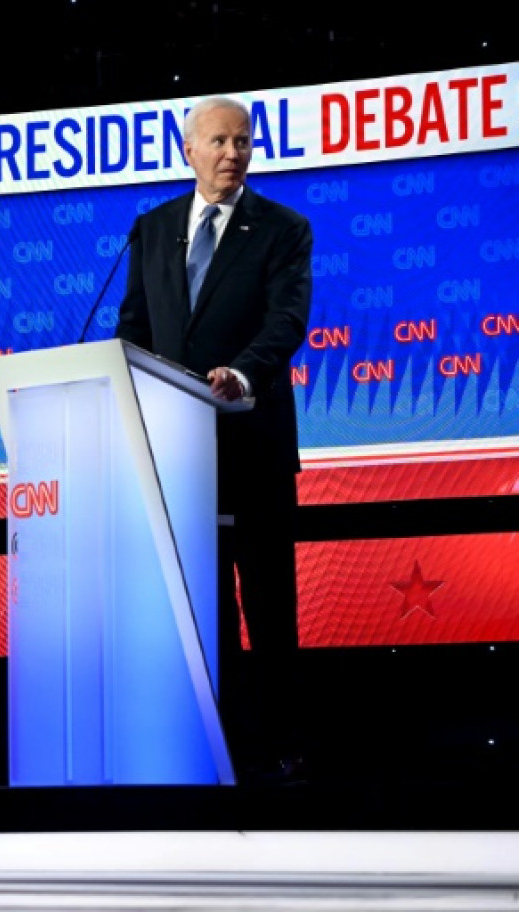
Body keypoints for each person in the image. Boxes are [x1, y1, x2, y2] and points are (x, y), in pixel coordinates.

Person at [114, 96, 312, 783]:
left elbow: (287, 322)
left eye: (243, 141)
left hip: (251, 443)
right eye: (220, 141)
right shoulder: (153, 228)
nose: (234, 152)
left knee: (268, 605)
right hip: (179, 455)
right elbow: (134, 329)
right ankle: (218, 747)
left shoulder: (283, 229)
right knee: (205, 613)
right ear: (189, 151)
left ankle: (284, 745)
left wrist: (243, 373)